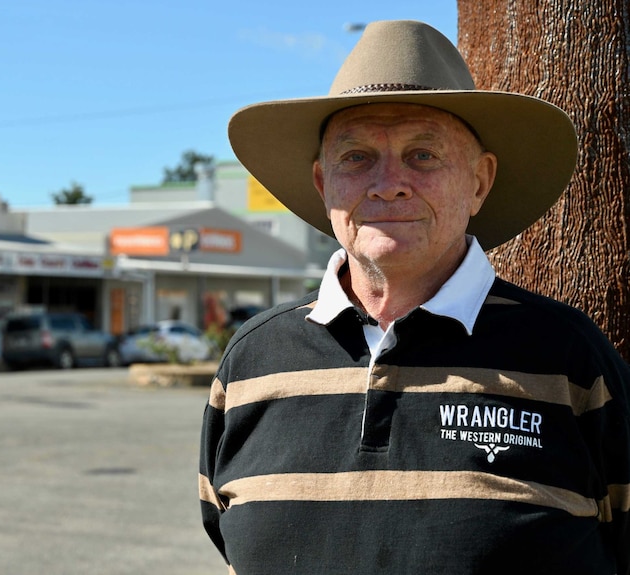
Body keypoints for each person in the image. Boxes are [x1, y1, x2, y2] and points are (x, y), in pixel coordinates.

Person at [198, 20, 630, 574]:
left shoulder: (572, 360)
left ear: (479, 182)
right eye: (356, 157)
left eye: (423, 154)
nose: (388, 182)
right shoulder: (252, 361)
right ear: (322, 184)